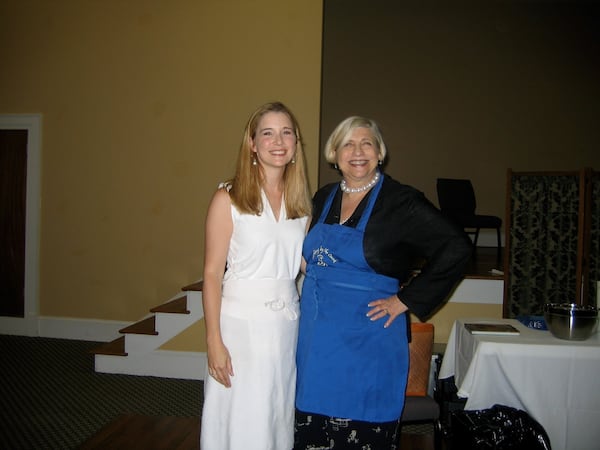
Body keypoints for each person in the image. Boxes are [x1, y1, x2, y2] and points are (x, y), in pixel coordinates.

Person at [294, 116, 472, 449]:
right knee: (313, 433)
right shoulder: (323, 197)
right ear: (334, 152)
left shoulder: (401, 201)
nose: (357, 151)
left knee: (365, 431)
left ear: (379, 153)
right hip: (317, 340)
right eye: (348, 143)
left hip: (369, 338)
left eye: (367, 143)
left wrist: (406, 300)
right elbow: (310, 256)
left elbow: (456, 247)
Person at [200, 101, 312, 450]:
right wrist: (213, 342)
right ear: (252, 143)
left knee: (274, 415)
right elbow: (211, 273)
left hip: (284, 327)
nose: (278, 141)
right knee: (242, 419)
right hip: (240, 329)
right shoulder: (228, 198)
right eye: (267, 133)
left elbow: (305, 264)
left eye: (286, 132)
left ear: (295, 143)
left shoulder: (301, 204)